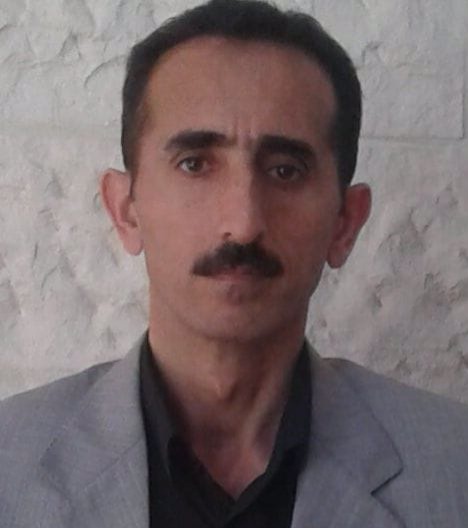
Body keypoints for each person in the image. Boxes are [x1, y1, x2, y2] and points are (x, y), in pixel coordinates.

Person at [1, 0, 467, 526]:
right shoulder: (8, 468)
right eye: (194, 164)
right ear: (125, 209)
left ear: (345, 222)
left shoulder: (454, 468)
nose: (243, 224)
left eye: (286, 170)